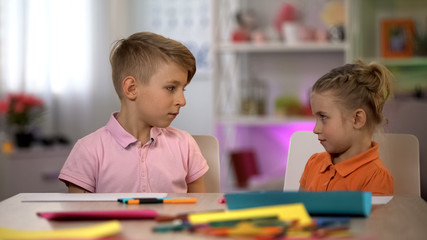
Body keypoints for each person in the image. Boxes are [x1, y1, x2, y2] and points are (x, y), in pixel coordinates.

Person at [59, 32, 209, 193]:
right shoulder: (88, 150)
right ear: (131, 88)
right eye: (171, 88)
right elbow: (80, 216)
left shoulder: (184, 144)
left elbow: (200, 210)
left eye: (183, 89)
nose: (182, 101)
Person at [299, 60, 394, 196]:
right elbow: (299, 212)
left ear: (357, 119)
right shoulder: (313, 163)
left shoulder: (376, 178)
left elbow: (375, 218)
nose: (315, 129)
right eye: (316, 118)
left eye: (323, 117)